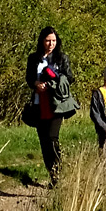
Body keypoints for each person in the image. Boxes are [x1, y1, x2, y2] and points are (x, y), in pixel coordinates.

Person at [25, 26, 80, 186]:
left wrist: (52, 83)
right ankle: (53, 174)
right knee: (44, 141)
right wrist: (35, 83)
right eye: (48, 40)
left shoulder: (62, 58)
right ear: (42, 41)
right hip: (38, 103)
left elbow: (69, 78)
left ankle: (58, 173)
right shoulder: (33, 58)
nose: (51, 44)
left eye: (54, 41)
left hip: (57, 104)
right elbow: (28, 77)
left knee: (52, 138)